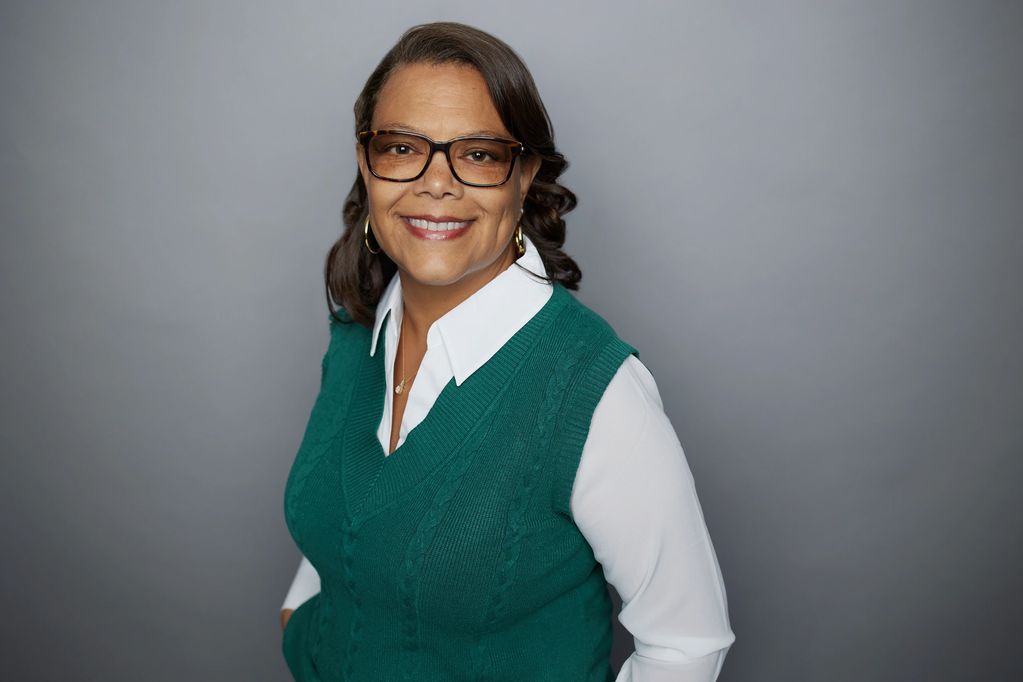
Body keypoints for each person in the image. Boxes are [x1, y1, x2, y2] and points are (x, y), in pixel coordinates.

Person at [279, 21, 735, 682]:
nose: (436, 183)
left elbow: (686, 643)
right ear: (366, 163)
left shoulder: (590, 391)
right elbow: (347, 519)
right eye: (403, 147)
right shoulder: (353, 336)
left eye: (479, 154)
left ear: (524, 175)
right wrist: (301, 621)